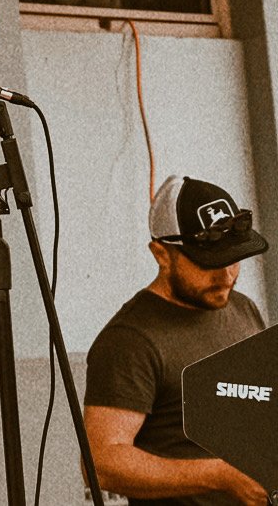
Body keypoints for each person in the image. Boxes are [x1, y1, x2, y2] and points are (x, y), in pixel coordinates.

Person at [84, 175, 269, 506]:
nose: (226, 276)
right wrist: (221, 476)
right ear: (161, 254)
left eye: (233, 259)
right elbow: (101, 465)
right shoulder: (129, 341)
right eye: (208, 263)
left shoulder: (243, 309)